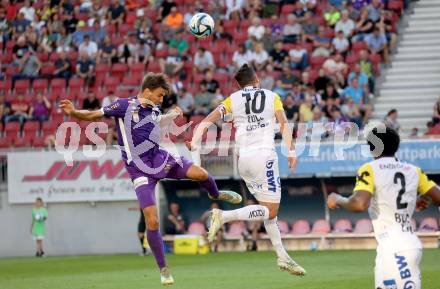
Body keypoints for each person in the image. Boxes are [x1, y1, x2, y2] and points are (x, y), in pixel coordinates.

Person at [59, 73, 242, 285]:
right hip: (139, 170)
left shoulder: (154, 109)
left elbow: (158, 124)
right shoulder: (123, 105)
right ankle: (164, 269)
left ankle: (217, 194)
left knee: (201, 174)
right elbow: (94, 115)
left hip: (160, 157)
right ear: (147, 91)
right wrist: (73, 112)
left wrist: (170, 116)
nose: (161, 100)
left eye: (163, 96)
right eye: (160, 95)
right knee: (152, 220)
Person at [188, 64, 306, 276]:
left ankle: (283, 257)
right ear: (257, 80)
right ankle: (222, 216)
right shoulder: (272, 96)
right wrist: (291, 151)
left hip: (243, 161)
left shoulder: (233, 99)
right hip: (265, 157)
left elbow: (207, 120)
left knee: (268, 213)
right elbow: (284, 123)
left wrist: (195, 141)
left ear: (240, 85)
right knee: (270, 211)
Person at [327, 126, 440, 289]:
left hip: (396, 248)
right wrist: (424, 197)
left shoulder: (370, 169)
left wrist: (337, 198)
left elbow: (359, 204)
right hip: (395, 246)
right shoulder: (414, 171)